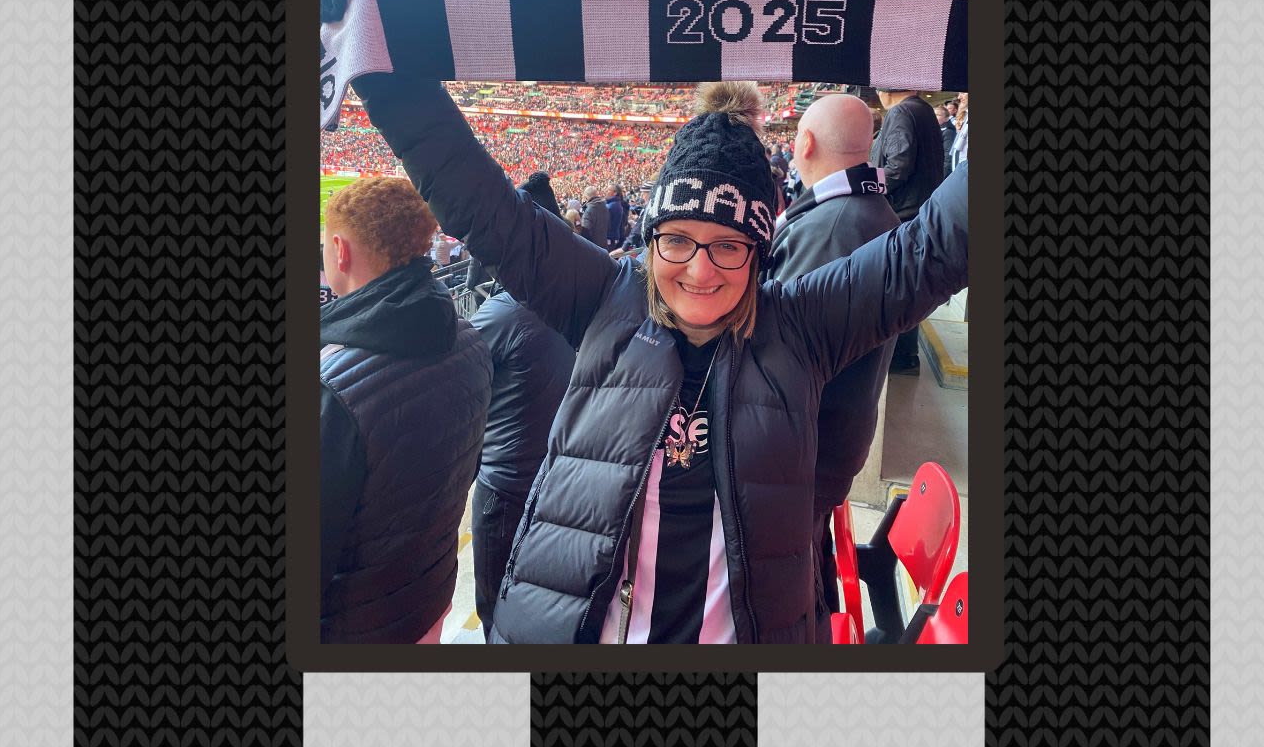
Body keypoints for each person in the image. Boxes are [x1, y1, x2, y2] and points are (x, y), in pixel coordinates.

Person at [350, 69, 969, 644]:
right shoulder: (600, 297)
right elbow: (480, 204)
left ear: (759, 250)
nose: (700, 271)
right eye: (677, 240)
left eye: (728, 245)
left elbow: (935, 246)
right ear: (650, 239)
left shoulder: (804, 324)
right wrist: (382, 71)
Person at [319, 177, 491, 643]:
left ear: (340, 250)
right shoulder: (470, 341)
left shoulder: (333, 385)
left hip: (355, 629)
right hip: (427, 595)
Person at [765, 93, 901, 636]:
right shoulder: (869, 212)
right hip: (836, 437)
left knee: (789, 586)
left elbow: (777, 349)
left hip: (809, 449)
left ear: (805, 144)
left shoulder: (831, 228)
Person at [467, 287, 576, 641]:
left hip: (505, 490)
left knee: (494, 607)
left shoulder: (504, 313)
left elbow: (453, 368)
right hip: (555, 483)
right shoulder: (573, 306)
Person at [871, 87, 947, 374]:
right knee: (906, 286)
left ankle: (901, 356)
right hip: (916, 212)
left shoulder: (902, 111)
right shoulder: (923, 110)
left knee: (896, 287)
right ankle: (905, 355)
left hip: (901, 214)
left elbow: (897, 168)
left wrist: (864, 183)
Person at [938, 100, 960, 169]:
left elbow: (948, 155)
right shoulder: (937, 128)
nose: (948, 110)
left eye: (938, 115)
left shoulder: (948, 131)